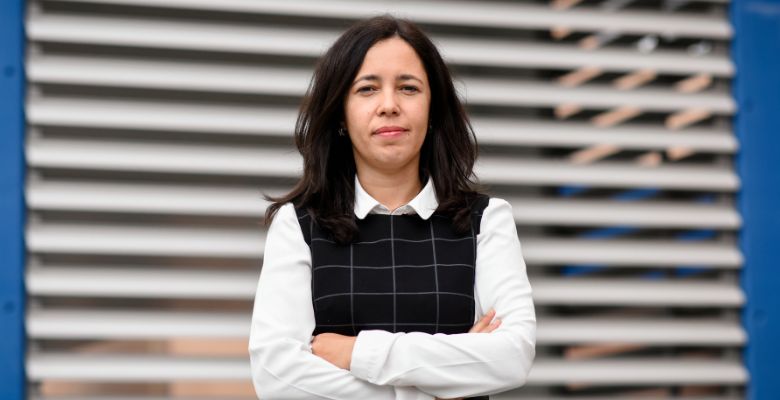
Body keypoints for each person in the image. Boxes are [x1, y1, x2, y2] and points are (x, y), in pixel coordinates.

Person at [248, 14, 535, 400]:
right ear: (341, 113)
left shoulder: (486, 220)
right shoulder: (299, 225)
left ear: (433, 109)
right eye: (367, 89)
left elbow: (512, 357)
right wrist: (442, 381)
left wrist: (357, 353)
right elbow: (277, 378)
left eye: (408, 88)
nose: (389, 105)